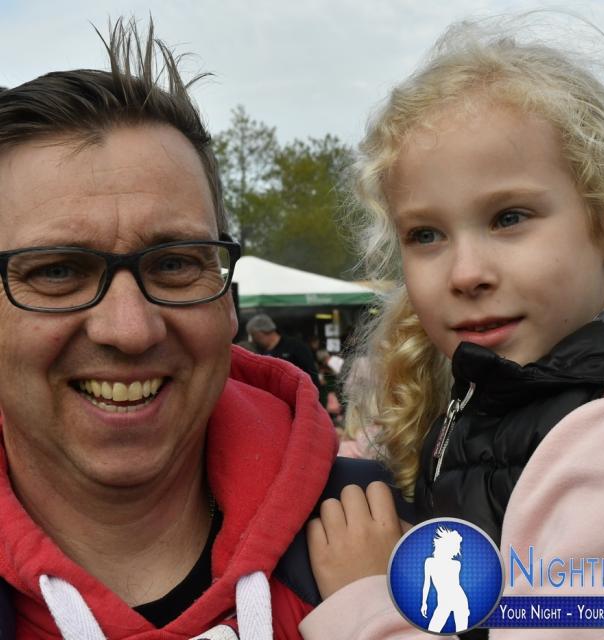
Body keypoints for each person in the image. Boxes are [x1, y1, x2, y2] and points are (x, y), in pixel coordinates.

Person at [0, 18, 362, 640]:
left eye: (173, 264)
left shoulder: (396, 544)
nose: (129, 329)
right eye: (57, 271)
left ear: (229, 305)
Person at [299, 15, 604, 640]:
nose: (465, 273)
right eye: (426, 235)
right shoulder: (490, 398)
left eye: (509, 217)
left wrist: (366, 599)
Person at [246, 314, 321, 388]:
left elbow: (312, 376)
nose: (253, 339)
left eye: (254, 335)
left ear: (265, 331)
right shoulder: (259, 352)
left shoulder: (295, 347)